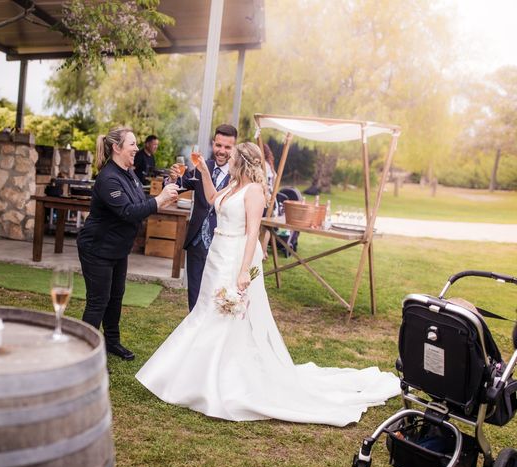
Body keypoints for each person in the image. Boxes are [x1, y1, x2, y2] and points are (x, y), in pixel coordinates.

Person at [136, 142, 399, 425]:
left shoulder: (254, 192)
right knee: (205, 311)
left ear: (243, 162)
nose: (228, 160)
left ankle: (219, 382)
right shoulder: (232, 186)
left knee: (224, 316)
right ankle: (193, 376)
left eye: (233, 157)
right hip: (217, 254)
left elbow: (252, 233)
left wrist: (244, 270)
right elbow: (213, 201)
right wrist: (203, 172)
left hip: (235, 256)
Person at [77, 127, 179, 361]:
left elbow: (140, 203)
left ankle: (112, 342)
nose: (136, 148)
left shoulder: (128, 173)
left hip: (118, 249)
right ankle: (84, 353)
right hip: (97, 249)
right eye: (132, 144)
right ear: (117, 148)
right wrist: (160, 199)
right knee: (98, 302)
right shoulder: (108, 178)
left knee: (116, 296)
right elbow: (128, 212)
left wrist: (166, 189)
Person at [167, 124, 237, 311]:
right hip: (196, 240)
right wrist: (173, 178)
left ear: (234, 148)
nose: (221, 151)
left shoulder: (238, 174)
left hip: (221, 243)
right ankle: (193, 327)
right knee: (195, 292)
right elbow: (182, 184)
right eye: (219, 145)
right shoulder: (201, 166)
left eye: (227, 147)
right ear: (213, 143)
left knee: (217, 292)